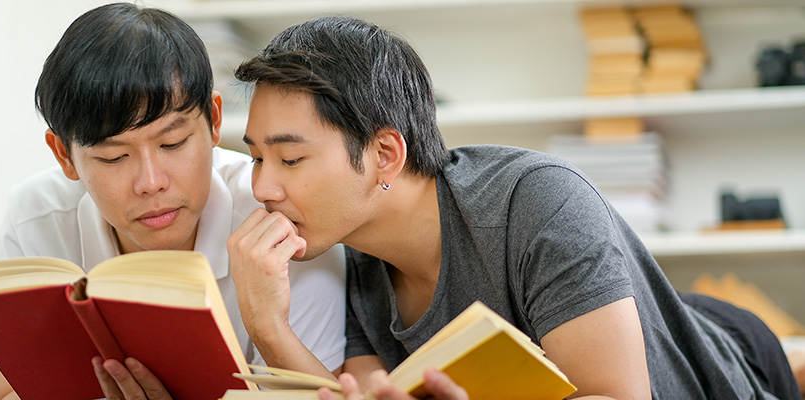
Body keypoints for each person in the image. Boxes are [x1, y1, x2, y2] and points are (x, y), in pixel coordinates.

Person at [227, 16, 805, 400]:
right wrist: (269, 329)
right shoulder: (350, 252)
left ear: (384, 154)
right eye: (255, 159)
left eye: (291, 160)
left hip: (726, 373)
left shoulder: (539, 202)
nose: (263, 188)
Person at [0, 4, 346, 400]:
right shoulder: (36, 218)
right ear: (64, 155)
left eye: (173, 143)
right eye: (114, 157)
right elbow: (9, 392)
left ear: (213, 121)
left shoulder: (277, 220)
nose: (151, 183)